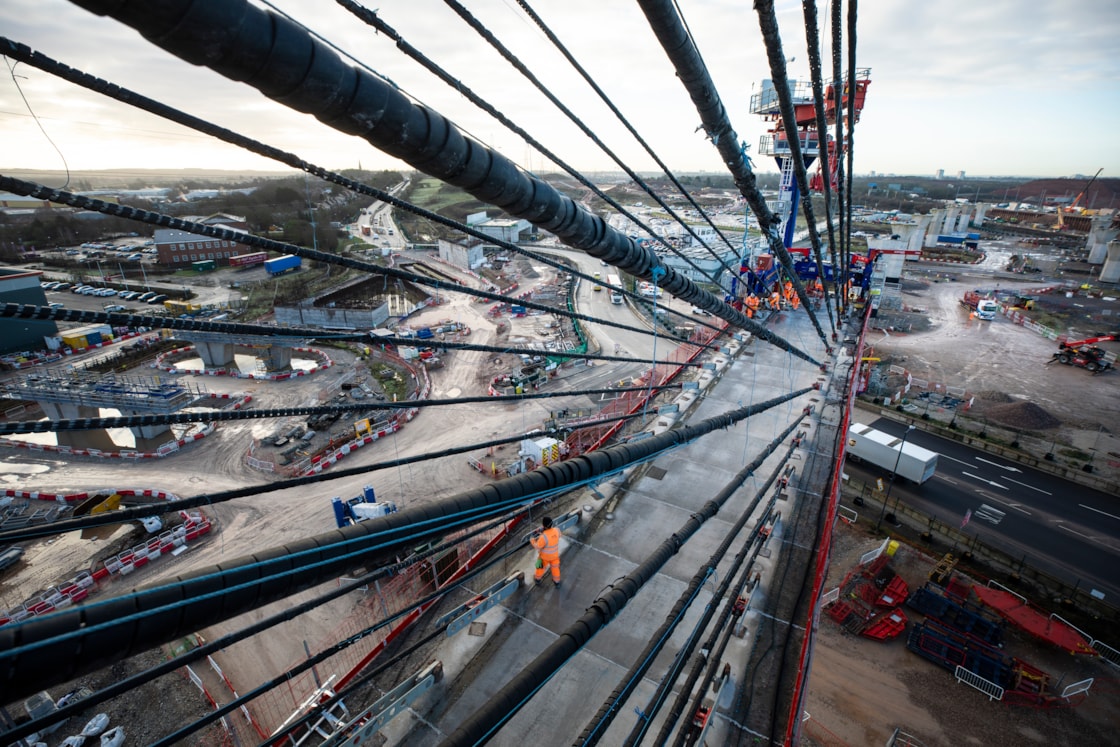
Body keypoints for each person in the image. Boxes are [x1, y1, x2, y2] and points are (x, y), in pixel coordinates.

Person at [531, 516, 561, 587]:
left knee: (540, 567)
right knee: (555, 569)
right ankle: (557, 582)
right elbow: (558, 535)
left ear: (543, 525)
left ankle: (537, 579)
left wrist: (532, 539)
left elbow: (537, 546)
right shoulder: (557, 530)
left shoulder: (543, 537)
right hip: (555, 556)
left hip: (544, 557)